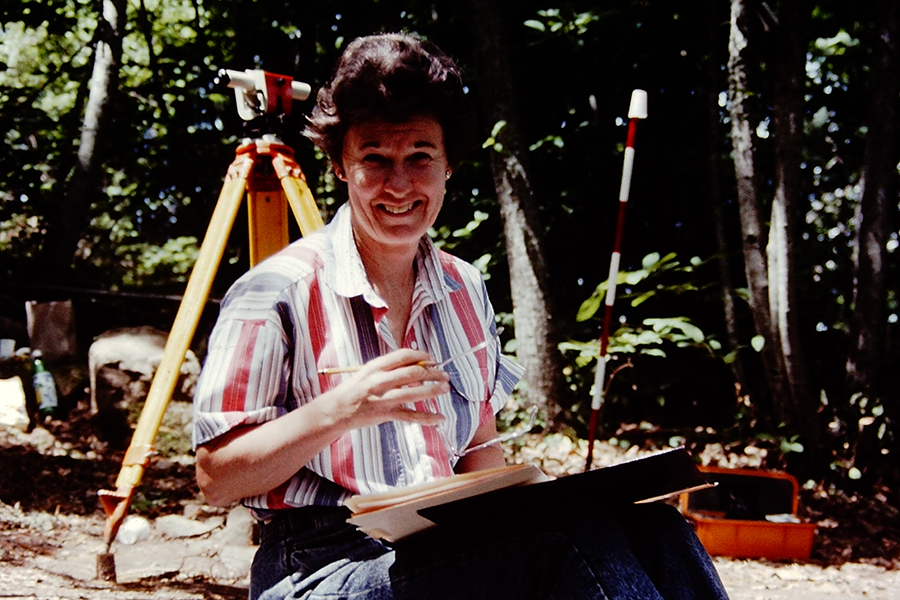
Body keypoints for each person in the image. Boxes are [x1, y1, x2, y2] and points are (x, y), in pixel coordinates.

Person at [192, 32, 730, 600]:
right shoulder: (275, 291)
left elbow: (479, 454)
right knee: (559, 543)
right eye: (374, 159)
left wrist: (543, 504)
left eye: (419, 157)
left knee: (656, 528)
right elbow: (216, 476)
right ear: (339, 167)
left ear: (448, 164)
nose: (398, 184)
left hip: (440, 548)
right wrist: (338, 410)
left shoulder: (463, 286)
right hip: (318, 567)